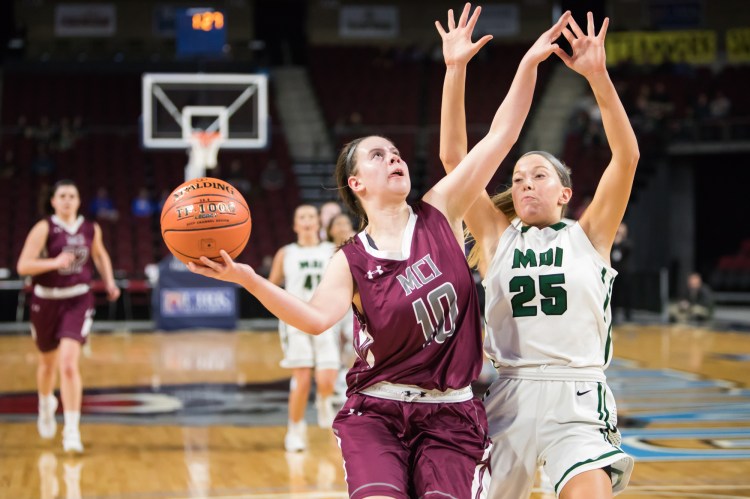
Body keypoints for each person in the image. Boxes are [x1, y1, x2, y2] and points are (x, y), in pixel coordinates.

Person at [187, 6, 572, 495]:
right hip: (377, 411)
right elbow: (312, 319)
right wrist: (247, 277)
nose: (393, 157)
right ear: (356, 183)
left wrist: (523, 65)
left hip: (451, 412)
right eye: (377, 155)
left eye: (395, 152)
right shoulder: (348, 259)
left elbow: (501, 136)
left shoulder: (442, 211)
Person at [440, 11, 637, 498]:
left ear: (565, 193)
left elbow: (626, 156)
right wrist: (455, 70)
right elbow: (454, 160)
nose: (525, 184)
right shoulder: (495, 237)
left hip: (579, 395)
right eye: (518, 179)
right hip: (511, 392)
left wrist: (598, 76)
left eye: (538, 176)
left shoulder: (590, 235)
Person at [16, 179, 120, 453]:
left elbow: (100, 256)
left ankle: (72, 430)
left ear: (78, 200)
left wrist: (109, 282)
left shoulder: (89, 228)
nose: (66, 200)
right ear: (53, 201)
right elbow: (23, 265)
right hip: (46, 300)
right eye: (61, 196)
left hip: (78, 299)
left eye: (71, 196)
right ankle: (45, 402)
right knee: (47, 366)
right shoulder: (44, 228)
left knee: (69, 365)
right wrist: (54, 262)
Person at [267, 204, 340, 452]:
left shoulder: (331, 250)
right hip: (295, 321)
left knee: (327, 378)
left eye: (311, 216)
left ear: (318, 223)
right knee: (302, 378)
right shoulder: (286, 253)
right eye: (302, 217)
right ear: (295, 225)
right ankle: (295, 430)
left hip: (325, 318)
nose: (307, 221)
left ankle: (324, 400)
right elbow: (271, 286)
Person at [325, 212, 357, 403]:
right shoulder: (324, 250)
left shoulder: (359, 245)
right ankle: (336, 382)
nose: (343, 226)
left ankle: (348, 377)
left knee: (354, 341)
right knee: (333, 343)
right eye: (338, 223)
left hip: (354, 301)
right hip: (331, 303)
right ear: (330, 230)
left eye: (346, 222)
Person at [611, 222, 633, 323]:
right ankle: (612, 313)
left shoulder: (627, 243)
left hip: (624, 272)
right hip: (613, 272)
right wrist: (615, 242)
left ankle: (628, 314)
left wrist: (619, 242)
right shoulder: (611, 242)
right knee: (613, 294)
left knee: (626, 294)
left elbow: (626, 251)